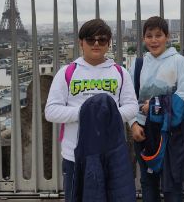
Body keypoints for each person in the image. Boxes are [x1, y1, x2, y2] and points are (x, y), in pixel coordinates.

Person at [45, 18, 138, 202]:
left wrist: (106, 114)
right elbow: (51, 111)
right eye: (90, 39)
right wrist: (87, 113)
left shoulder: (120, 72)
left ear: (109, 43)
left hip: (110, 154)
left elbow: (132, 107)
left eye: (102, 40)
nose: (96, 44)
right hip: (75, 155)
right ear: (81, 43)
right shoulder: (67, 72)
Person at [129, 16, 184, 202]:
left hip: (172, 132)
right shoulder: (138, 64)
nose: (154, 40)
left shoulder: (178, 61)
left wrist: (155, 105)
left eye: (158, 35)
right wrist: (133, 123)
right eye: (149, 36)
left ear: (167, 37)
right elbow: (129, 97)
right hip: (144, 130)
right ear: (143, 38)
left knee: (173, 182)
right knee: (148, 181)